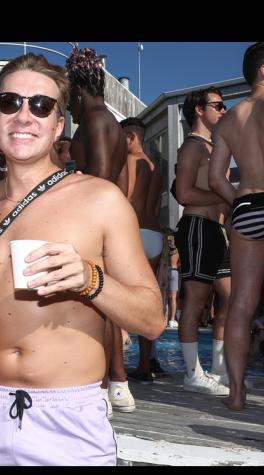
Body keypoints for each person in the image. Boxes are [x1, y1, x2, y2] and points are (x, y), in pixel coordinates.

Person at [0, 53, 164, 466]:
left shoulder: (99, 200)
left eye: (40, 105)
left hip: (66, 420)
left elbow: (152, 319)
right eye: (10, 102)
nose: (23, 116)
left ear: (58, 125)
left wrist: (90, 280)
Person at [209, 42, 264, 410]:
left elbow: (215, 178)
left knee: (240, 303)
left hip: (247, 208)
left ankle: (237, 394)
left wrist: (238, 201)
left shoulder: (228, 120)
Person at [65, 46, 133, 417]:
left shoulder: (94, 119)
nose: (67, 106)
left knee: (96, 305)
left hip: (94, 221)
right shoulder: (108, 121)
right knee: (103, 303)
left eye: (68, 96)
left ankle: (105, 387)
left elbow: (103, 178)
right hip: (107, 220)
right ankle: (117, 384)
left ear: (78, 90)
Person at [174, 87, 231, 397]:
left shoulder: (213, 148)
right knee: (195, 303)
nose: (224, 110)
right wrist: (227, 196)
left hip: (218, 230)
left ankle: (219, 369)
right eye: (218, 105)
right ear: (199, 109)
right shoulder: (192, 147)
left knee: (230, 299)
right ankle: (193, 373)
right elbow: (184, 193)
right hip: (198, 227)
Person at [119, 117, 164, 384]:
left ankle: (115, 369)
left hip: (133, 233)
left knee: (119, 297)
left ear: (131, 137)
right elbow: (156, 208)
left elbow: (124, 200)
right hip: (154, 235)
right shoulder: (155, 167)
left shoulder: (130, 161)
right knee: (148, 300)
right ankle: (145, 365)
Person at [167, 237, 180, 329]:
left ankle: (164, 318)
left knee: (164, 297)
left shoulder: (165, 251)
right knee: (173, 298)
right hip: (174, 271)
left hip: (165, 271)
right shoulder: (177, 252)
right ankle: (172, 319)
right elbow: (180, 264)